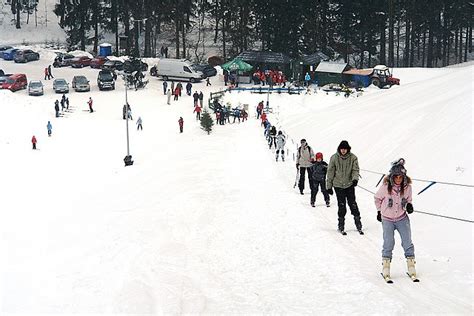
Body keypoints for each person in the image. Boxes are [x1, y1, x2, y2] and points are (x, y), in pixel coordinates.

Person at [374, 159, 416, 281]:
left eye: (400, 177)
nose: (398, 179)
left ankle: (411, 265)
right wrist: (378, 211)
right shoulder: (386, 187)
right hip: (387, 219)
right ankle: (386, 266)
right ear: (392, 177)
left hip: (402, 218)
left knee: (407, 240)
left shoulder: (407, 187)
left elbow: (409, 199)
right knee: (389, 242)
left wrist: (409, 205)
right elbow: (377, 198)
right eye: (396, 177)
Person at [326, 140, 362, 235]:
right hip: (338, 185)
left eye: (345, 149)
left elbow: (355, 169)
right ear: (339, 149)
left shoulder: (353, 158)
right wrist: (328, 186)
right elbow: (330, 172)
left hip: (349, 185)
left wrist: (355, 179)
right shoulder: (334, 158)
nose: (343, 151)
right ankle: (341, 225)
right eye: (342, 149)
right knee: (342, 205)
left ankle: (358, 223)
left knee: (352, 204)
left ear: (348, 149)